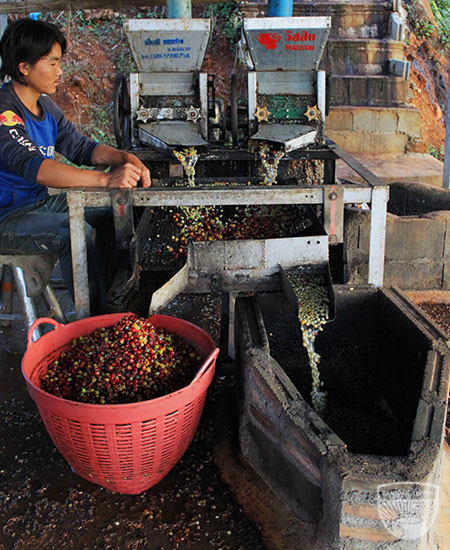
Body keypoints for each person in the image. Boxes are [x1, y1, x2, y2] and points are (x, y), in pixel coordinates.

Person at [0, 18, 151, 315]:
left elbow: (81, 148)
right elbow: (36, 167)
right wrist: (105, 180)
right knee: (74, 230)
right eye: (53, 63)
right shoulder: (5, 111)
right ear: (24, 67)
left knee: (120, 205)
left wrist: (123, 158)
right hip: (7, 219)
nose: (60, 72)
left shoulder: (47, 109)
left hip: (38, 205)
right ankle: (98, 318)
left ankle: (114, 294)